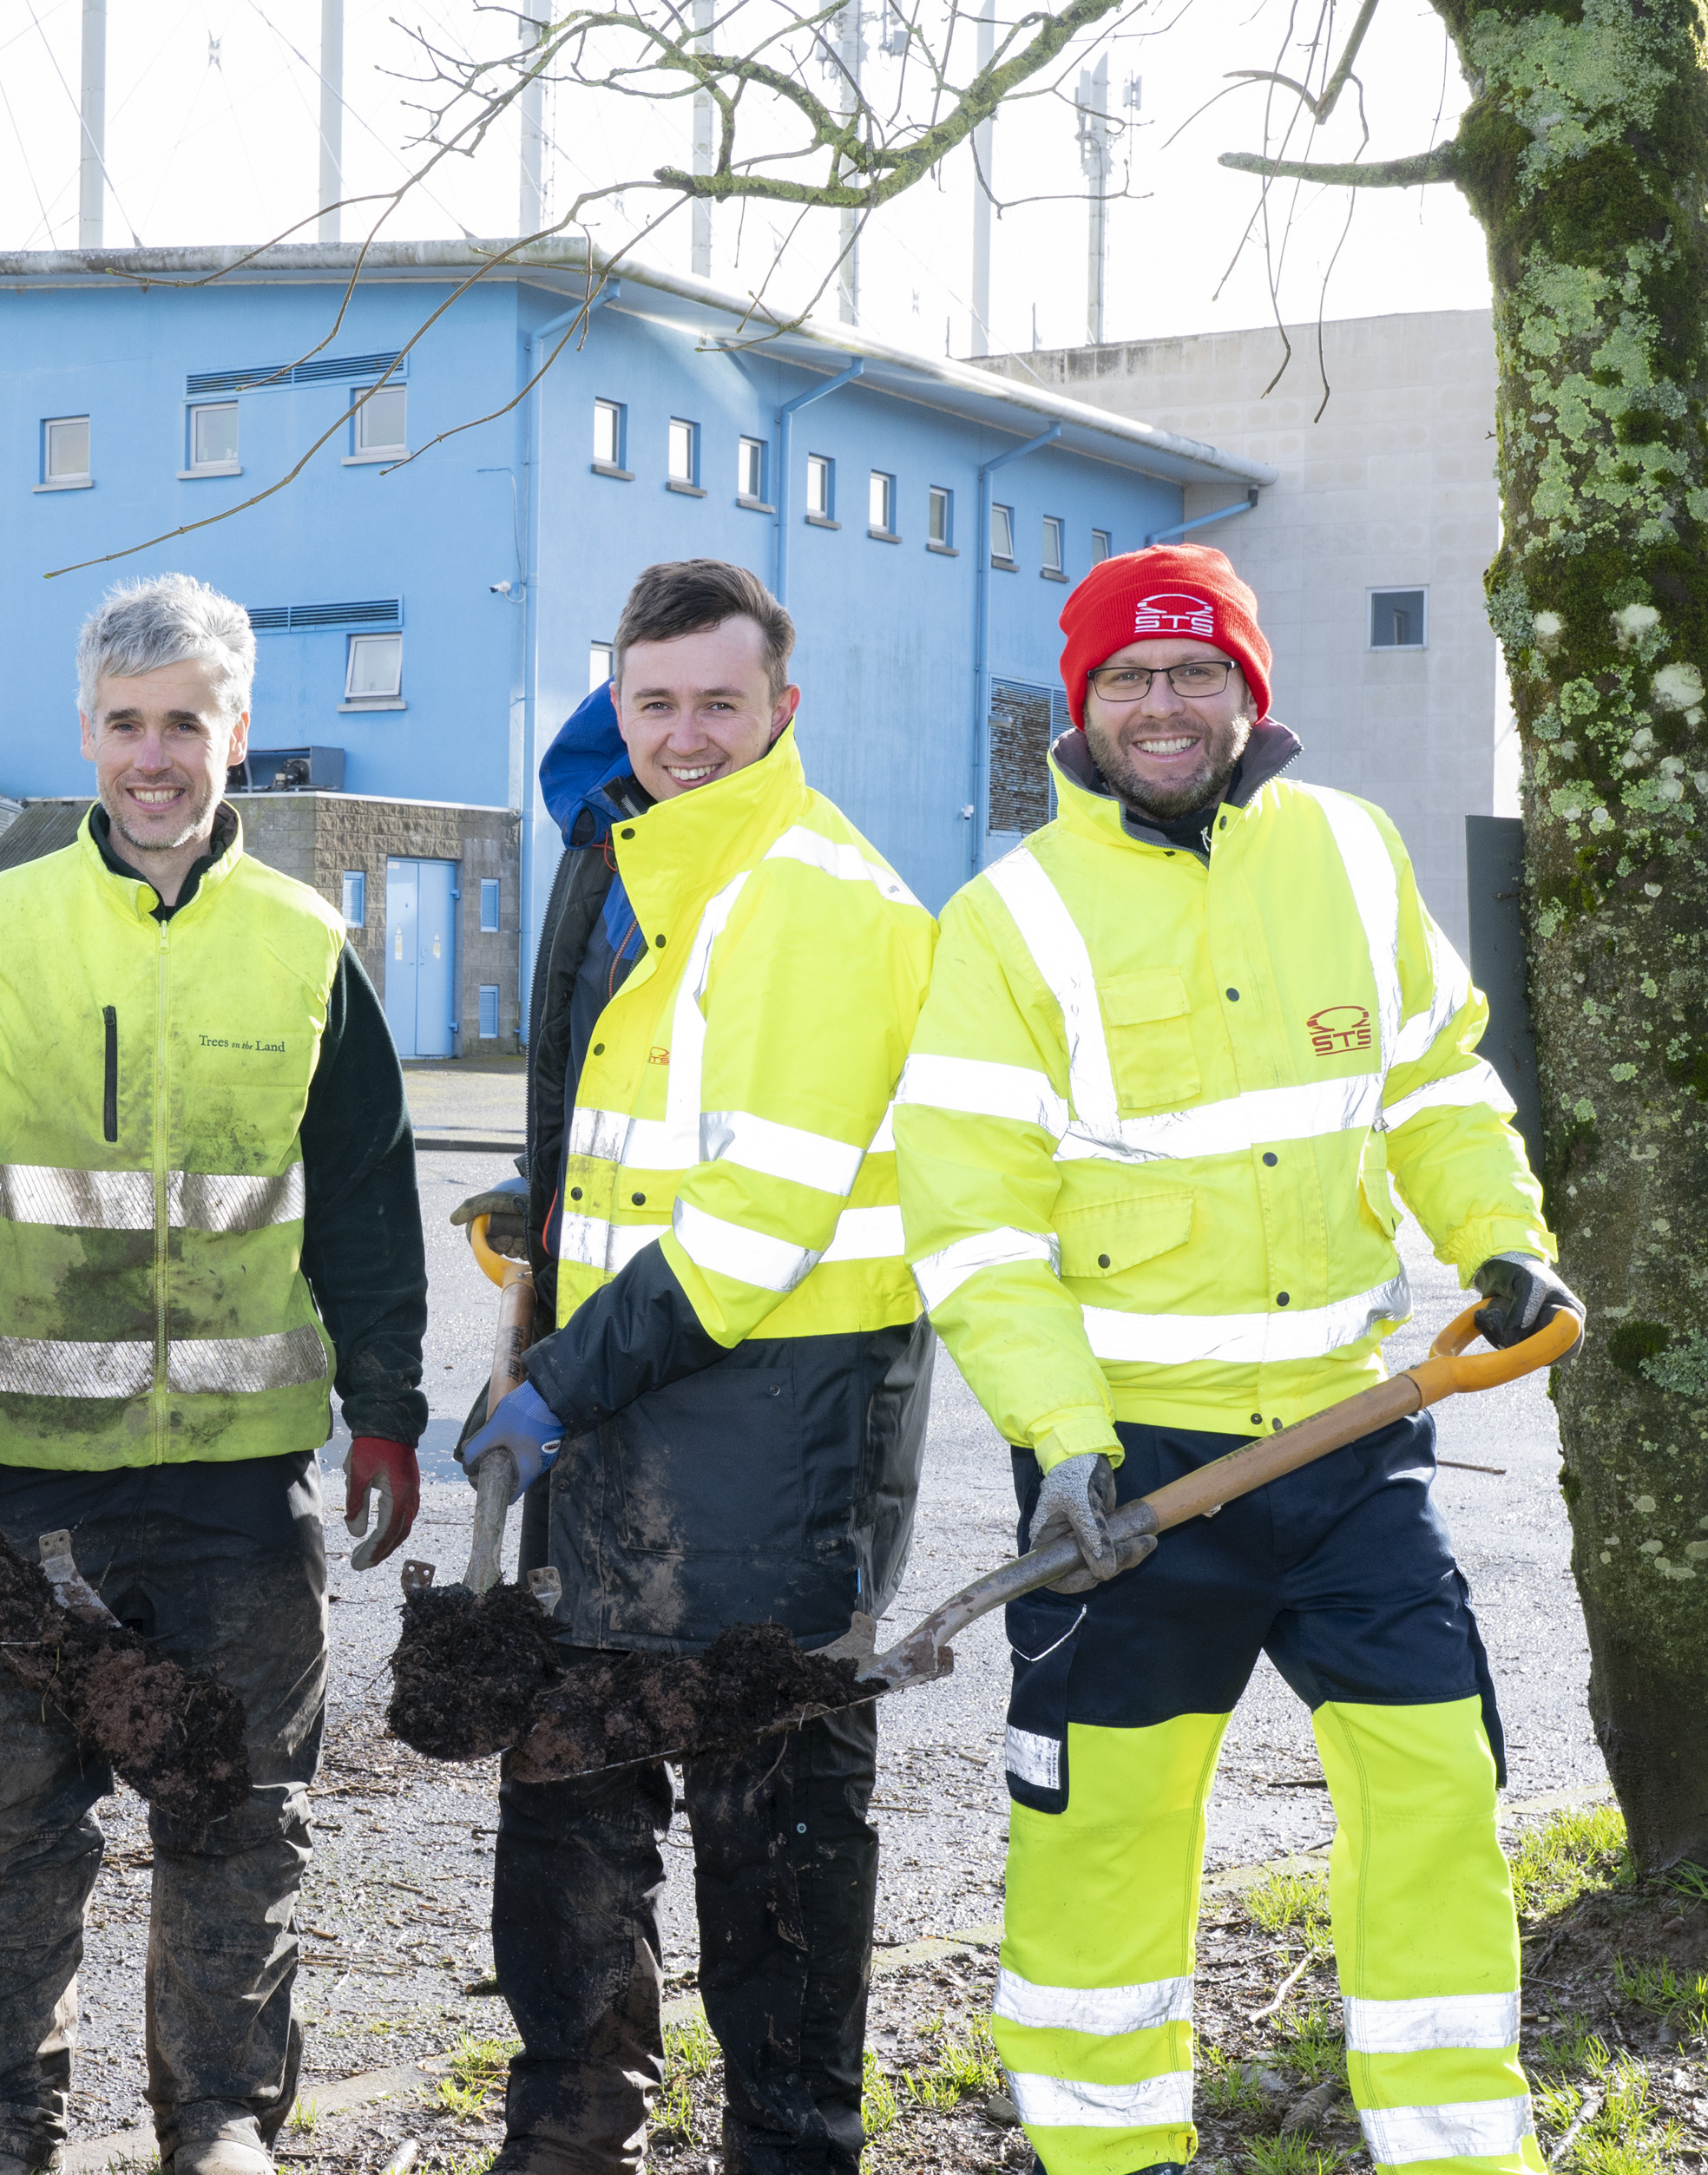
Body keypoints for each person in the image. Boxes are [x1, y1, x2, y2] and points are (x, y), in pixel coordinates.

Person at [896, 542, 1575, 2175]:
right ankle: (1108, 2154)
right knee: (1104, 1838)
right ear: (1084, 708)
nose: (1164, 702)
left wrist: (1495, 1227)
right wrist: (1061, 1437)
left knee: (1432, 1785)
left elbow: (1437, 1084)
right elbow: (978, 1229)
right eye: (1129, 676)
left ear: (1250, 692)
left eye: (1197, 671)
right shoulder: (1009, 922)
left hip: (1353, 1442)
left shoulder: (1347, 852)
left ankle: (1462, 2152)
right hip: (1125, 1467)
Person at [0, 573, 428, 2175]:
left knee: (243, 1821)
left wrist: (390, 1408)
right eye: (125, 724)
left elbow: (371, 1202)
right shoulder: (0, 932)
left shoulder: (308, 943)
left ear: (236, 735)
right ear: (86, 734)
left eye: (183, 721)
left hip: (233, 1486)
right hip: (22, 1477)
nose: (153, 755)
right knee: (5, 1830)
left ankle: (216, 2119)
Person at [456, 559, 937, 2174]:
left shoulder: (824, 897)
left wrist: (547, 1388)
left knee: (777, 1846)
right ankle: (574, 2131)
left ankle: (790, 2148)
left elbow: (756, 1222)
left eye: (719, 703)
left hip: (778, 1447)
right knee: (573, 1804)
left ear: (781, 708)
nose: (684, 734)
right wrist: (552, 1211)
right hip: (617, 1428)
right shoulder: (629, 862)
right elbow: (639, 1129)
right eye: (653, 702)